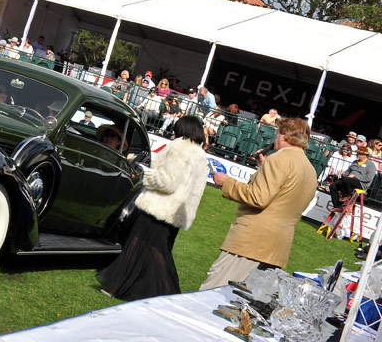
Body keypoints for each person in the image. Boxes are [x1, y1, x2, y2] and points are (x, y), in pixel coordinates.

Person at [97, 115, 208, 300]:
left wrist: (145, 173)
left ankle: (121, 287)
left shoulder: (179, 146)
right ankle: (149, 293)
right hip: (175, 213)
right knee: (153, 252)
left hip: (158, 208)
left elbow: (167, 182)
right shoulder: (200, 154)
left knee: (140, 248)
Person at [199, 117, 317, 290]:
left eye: (277, 133)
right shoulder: (310, 170)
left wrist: (227, 182)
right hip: (277, 247)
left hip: (250, 243)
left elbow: (259, 198)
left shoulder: (278, 159)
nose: (275, 138)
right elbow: (283, 199)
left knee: (213, 294)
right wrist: (264, 169)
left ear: (284, 136)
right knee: (245, 304)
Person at [328, 145, 377, 211]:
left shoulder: (371, 164)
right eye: (358, 153)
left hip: (361, 183)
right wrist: (344, 173)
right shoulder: (355, 162)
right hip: (348, 180)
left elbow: (368, 178)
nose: (357, 154)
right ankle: (338, 206)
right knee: (333, 186)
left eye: (359, 153)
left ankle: (347, 196)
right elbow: (348, 171)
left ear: (364, 154)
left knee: (346, 179)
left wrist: (355, 176)